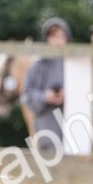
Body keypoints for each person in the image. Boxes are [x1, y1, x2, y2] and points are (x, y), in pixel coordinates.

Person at [21, 17, 71, 150]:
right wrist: (45, 96)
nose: (57, 40)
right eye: (53, 36)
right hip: (46, 131)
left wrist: (69, 95)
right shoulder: (37, 65)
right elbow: (26, 95)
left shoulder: (76, 64)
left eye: (61, 35)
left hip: (74, 129)